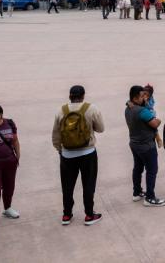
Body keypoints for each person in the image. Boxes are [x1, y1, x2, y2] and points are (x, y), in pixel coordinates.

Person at [51, 85, 105, 226]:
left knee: (67, 186)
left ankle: (67, 215)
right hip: (88, 153)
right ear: (83, 95)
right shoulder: (91, 108)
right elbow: (101, 128)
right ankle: (89, 215)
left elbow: (55, 135)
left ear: (69, 95)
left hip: (67, 155)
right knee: (88, 184)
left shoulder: (61, 110)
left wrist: (60, 150)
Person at [124, 85, 165, 207]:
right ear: (135, 98)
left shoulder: (128, 109)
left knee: (137, 168)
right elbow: (155, 124)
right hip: (146, 146)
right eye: (142, 96)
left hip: (134, 144)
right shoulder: (142, 112)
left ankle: (136, 192)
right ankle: (150, 197)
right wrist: (159, 120)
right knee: (152, 170)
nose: (145, 98)